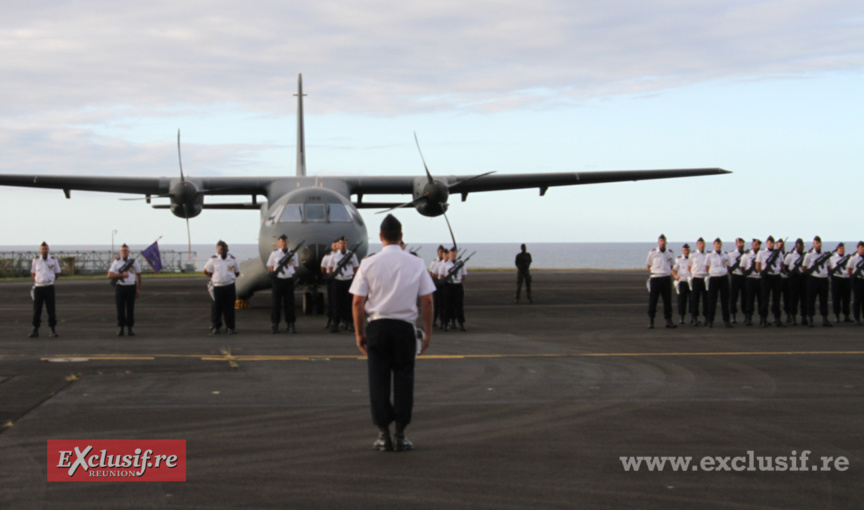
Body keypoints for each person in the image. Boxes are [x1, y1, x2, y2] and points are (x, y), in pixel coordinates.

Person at [350, 214, 435, 452]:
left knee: (378, 380)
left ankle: (382, 434)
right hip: (404, 327)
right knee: (404, 379)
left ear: (380, 237)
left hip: (377, 326)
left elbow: (357, 302)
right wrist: (427, 333)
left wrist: (359, 333)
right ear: (401, 237)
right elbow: (427, 300)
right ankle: (401, 433)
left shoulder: (368, 263)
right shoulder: (415, 263)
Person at [203, 240, 240, 334]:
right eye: (220, 249)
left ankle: (230, 327)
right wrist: (215, 278)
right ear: (217, 249)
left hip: (229, 286)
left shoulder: (232, 259)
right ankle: (216, 326)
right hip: (217, 286)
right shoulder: (213, 260)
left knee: (230, 308)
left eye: (224, 249)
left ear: (227, 250)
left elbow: (236, 272)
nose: (222, 251)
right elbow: (206, 271)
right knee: (217, 307)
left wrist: (229, 278)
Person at [108, 243, 142, 336]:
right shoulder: (117, 262)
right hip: (120, 287)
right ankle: (121, 328)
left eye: (126, 251)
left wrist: (138, 289)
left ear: (129, 251)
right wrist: (121, 275)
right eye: (122, 251)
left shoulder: (133, 262)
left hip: (131, 286)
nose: (124, 252)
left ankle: (130, 328)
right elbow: (109, 275)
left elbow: (139, 275)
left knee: (130, 308)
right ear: (120, 252)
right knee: (120, 308)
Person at [30, 241, 61, 338]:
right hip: (38, 287)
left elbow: (57, 273)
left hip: (49, 287)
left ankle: (52, 329)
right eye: (43, 249)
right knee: (37, 310)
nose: (44, 250)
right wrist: (39, 280)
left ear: (48, 250)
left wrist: (50, 280)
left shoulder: (53, 260)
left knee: (51, 309)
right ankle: (35, 330)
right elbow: (33, 273)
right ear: (40, 250)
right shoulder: (36, 260)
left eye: (46, 249)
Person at [267, 235, 298, 334]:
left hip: (288, 280)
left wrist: (289, 272)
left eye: (285, 241)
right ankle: (275, 324)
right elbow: (270, 267)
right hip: (278, 280)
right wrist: (276, 273)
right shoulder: (274, 253)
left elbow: (296, 267)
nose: (284, 243)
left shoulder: (293, 254)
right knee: (276, 303)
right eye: (281, 241)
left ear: (287, 242)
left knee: (290, 303)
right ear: (278, 243)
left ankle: (290, 324)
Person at [645, 234, 677, 329]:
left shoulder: (670, 253)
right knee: (653, 300)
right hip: (655, 278)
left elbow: (671, 265)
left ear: (666, 242)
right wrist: (655, 272)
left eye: (664, 240)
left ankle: (668, 320)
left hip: (666, 278)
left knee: (667, 300)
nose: (662, 242)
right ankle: (651, 320)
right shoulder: (653, 252)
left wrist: (666, 272)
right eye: (661, 240)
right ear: (658, 242)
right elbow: (649, 265)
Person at [329, 237, 359, 333]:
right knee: (337, 303)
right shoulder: (333, 256)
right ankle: (335, 323)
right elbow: (330, 269)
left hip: (348, 280)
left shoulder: (352, 255)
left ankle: (349, 322)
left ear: (347, 244)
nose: (343, 245)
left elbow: (355, 268)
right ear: (338, 245)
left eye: (344, 243)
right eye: (341, 243)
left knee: (349, 303)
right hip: (338, 281)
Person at [802, 236, 832, 328]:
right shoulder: (809, 255)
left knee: (824, 300)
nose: (819, 244)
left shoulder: (824, 255)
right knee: (811, 299)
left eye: (819, 242)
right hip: (813, 279)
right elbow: (804, 268)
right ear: (813, 244)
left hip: (823, 279)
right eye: (817, 243)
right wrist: (812, 270)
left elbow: (829, 266)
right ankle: (810, 318)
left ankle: (825, 319)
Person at [756, 235, 784, 327]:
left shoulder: (778, 253)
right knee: (765, 298)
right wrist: (763, 273)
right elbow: (758, 266)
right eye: (770, 242)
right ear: (767, 243)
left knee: (777, 299)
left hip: (776, 277)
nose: (771, 244)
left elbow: (781, 264)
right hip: (766, 277)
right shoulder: (762, 253)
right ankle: (763, 319)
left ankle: (777, 318)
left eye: (773, 243)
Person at [704, 238, 732, 328]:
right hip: (714, 278)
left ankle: (726, 321)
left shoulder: (725, 255)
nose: (718, 245)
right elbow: (707, 267)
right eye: (716, 244)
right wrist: (713, 273)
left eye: (719, 244)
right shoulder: (710, 255)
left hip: (723, 278)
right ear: (714, 245)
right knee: (712, 300)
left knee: (725, 301)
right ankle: (710, 321)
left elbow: (728, 266)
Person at [438, 248, 468, 331]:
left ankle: (461, 323)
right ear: (449, 254)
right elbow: (441, 276)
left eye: (455, 253)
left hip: (457, 285)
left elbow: (463, 276)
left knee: (459, 305)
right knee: (447, 305)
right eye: (451, 253)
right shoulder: (445, 264)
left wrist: (457, 280)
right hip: (448, 286)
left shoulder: (460, 264)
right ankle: (446, 323)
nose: (453, 255)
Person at [784, 238, 808, 326]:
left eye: (801, 245)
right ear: (796, 246)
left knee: (804, 299)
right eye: (798, 245)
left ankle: (804, 317)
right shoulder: (790, 256)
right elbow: (786, 267)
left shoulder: (806, 256)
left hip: (803, 278)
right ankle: (793, 317)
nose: (800, 247)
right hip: (794, 278)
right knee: (793, 298)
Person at [740, 239, 762, 326]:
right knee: (749, 299)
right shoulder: (746, 255)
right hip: (751, 279)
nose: (757, 246)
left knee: (762, 299)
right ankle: (748, 317)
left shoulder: (762, 254)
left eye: (758, 244)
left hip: (760, 279)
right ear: (752, 245)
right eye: (755, 244)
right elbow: (742, 267)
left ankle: (762, 318)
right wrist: (746, 275)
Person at [829, 243, 853, 323]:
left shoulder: (848, 258)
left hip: (846, 279)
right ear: (837, 249)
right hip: (836, 279)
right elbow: (829, 268)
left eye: (843, 248)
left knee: (846, 298)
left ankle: (846, 315)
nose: (842, 250)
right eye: (840, 248)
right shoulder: (832, 258)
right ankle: (837, 315)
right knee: (836, 298)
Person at [727, 238, 747, 324]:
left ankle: (746, 315)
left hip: (744, 277)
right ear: (736, 244)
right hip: (735, 276)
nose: (741, 244)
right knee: (733, 297)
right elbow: (728, 266)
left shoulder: (746, 254)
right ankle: (733, 315)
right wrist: (731, 274)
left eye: (742, 242)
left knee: (745, 297)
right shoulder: (731, 254)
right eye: (739, 242)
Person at [689, 238, 708, 325]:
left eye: (703, 243)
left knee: (706, 299)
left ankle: (706, 317)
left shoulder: (708, 254)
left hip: (705, 278)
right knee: (695, 299)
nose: (702, 245)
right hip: (696, 278)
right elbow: (689, 267)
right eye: (700, 243)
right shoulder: (692, 255)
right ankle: (694, 317)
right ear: (697, 245)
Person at [673, 244, 692, 325]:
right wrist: (675, 276)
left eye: (687, 250)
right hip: (682, 281)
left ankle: (693, 317)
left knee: (692, 301)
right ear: (682, 251)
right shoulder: (679, 259)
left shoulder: (692, 258)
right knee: (682, 301)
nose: (686, 251)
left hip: (691, 282)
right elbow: (673, 269)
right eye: (685, 250)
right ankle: (682, 318)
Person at [322, 240, 339, 329]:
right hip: (332, 280)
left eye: (337, 245)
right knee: (332, 301)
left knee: (342, 301)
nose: (336, 246)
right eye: (334, 245)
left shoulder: (347, 255)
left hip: (342, 280)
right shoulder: (329, 256)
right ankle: (331, 319)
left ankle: (343, 320)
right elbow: (323, 268)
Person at [847, 241, 864, 325]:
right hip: (857, 280)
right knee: (857, 300)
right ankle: (857, 318)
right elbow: (849, 270)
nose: (863, 249)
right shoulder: (853, 258)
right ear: (858, 248)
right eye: (861, 247)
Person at [429, 246, 446, 328]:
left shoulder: (446, 262)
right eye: (440, 252)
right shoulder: (435, 262)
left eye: (443, 252)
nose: (441, 253)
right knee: (436, 303)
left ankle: (444, 320)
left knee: (444, 303)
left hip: (444, 284)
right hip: (436, 284)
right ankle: (434, 319)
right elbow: (431, 273)